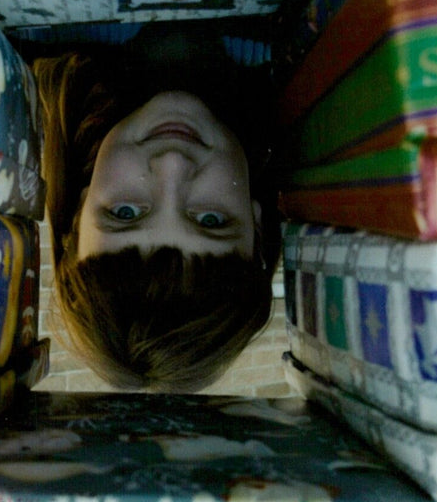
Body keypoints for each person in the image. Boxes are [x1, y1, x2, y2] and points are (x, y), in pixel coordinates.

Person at [31, 23, 281, 392]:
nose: (173, 163)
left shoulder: (34, 32)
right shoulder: (305, 46)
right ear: (256, 223)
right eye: (210, 220)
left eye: (125, 213)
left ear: (80, 208)